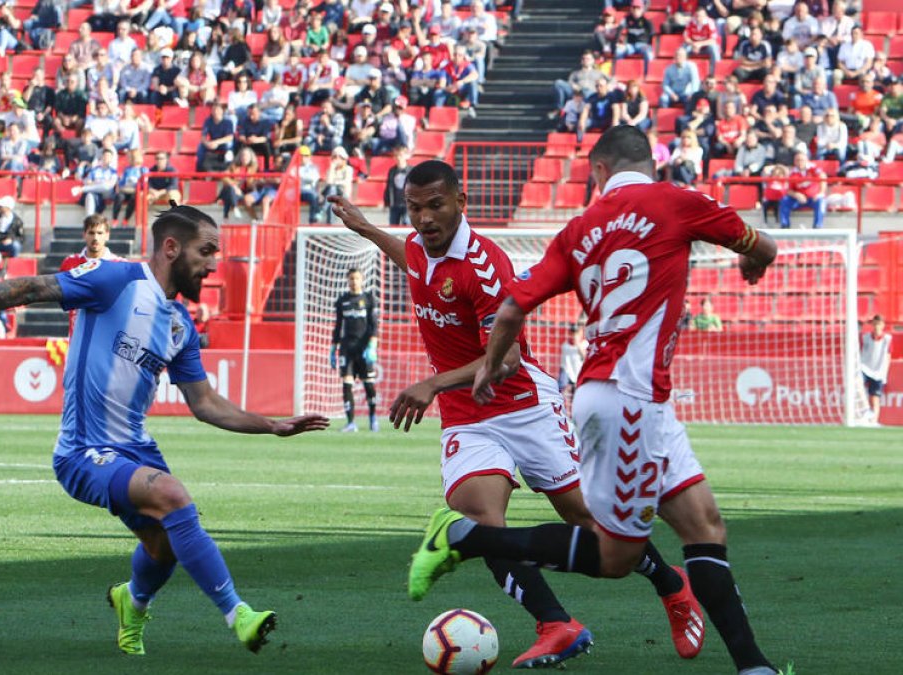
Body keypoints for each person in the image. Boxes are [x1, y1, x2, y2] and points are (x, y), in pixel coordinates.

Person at [404, 125, 781, 675]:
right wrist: (755, 259)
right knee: (613, 552)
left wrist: (488, 366)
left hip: (617, 397)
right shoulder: (679, 201)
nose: (423, 219)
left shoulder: (580, 228)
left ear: (598, 172)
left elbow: (509, 311)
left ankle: (752, 664)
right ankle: (471, 540)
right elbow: (762, 244)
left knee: (702, 526)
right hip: (628, 395)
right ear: (650, 164)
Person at [327, 159, 705, 669]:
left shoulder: (486, 267)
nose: (423, 219)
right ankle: (556, 624)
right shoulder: (421, 247)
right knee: (479, 518)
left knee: (590, 524)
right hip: (467, 415)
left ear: (461, 202)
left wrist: (432, 383)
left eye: (435, 205)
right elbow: (412, 259)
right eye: (414, 208)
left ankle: (671, 584)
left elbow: (504, 361)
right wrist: (368, 229)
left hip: (525, 406)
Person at [0, 204, 329, 656]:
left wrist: (273, 426)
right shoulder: (115, 279)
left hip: (136, 449)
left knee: (163, 546)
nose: (214, 264)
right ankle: (239, 615)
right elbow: (38, 286)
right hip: (83, 451)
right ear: (171, 247)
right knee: (174, 497)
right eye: (207, 250)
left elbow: (206, 403)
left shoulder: (179, 325)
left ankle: (131, 601)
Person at [331, 268, 380, 433]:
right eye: (351, 279)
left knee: (369, 385)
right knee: (346, 384)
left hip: (364, 348)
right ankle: (351, 422)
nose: (354, 282)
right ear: (348, 281)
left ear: (362, 280)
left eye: (357, 278)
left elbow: (373, 325)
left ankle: (373, 418)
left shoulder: (369, 299)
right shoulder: (342, 301)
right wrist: (333, 347)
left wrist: (372, 345)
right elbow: (338, 326)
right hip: (347, 348)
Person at [778, 150, 825, 229]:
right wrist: (796, 195)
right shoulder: (792, 173)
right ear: (794, 162)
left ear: (806, 160)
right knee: (784, 200)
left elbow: (823, 178)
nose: (800, 162)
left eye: (802, 160)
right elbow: (788, 190)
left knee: (821, 201)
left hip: (813, 198)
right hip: (798, 199)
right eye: (797, 160)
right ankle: (785, 225)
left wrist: (820, 193)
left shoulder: (813, 168)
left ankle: (818, 226)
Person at [860, 315, 891, 426]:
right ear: (872, 325)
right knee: (858, 386)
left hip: (878, 372)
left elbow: (888, 356)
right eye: (875, 324)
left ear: (883, 326)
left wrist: (885, 373)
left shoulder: (887, 339)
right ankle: (864, 411)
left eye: (879, 324)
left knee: (875, 397)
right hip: (865, 368)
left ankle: (874, 420)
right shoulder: (866, 337)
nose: (877, 326)